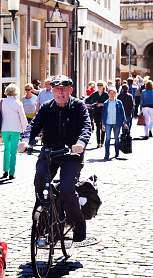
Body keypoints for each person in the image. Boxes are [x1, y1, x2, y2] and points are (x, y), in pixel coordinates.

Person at [18, 75, 92, 242]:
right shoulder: (46, 107)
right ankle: (45, 217)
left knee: (67, 188)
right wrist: (24, 140)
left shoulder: (78, 106)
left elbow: (86, 127)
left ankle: (78, 221)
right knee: (39, 181)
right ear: (52, 91)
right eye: (56, 89)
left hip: (71, 155)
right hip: (49, 152)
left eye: (63, 89)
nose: (60, 93)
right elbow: (33, 125)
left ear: (70, 90)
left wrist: (80, 143)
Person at [0, 84, 28, 180]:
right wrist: (25, 129)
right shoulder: (18, 103)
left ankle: (5, 171)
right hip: (15, 128)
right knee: (13, 152)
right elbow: (22, 117)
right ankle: (11, 173)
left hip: (4, 128)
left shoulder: (1, 102)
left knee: (6, 149)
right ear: (16, 92)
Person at [102, 87, 128, 159]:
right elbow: (104, 114)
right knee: (107, 138)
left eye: (113, 93)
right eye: (111, 93)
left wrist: (124, 122)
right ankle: (107, 154)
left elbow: (122, 113)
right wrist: (103, 124)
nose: (112, 95)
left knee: (116, 138)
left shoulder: (119, 103)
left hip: (117, 123)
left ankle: (117, 152)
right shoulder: (106, 103)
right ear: (108, 94)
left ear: (115, 94)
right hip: (108, 123)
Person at [85, 80, 108, 148]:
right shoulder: (95, 94)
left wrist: (101, 104)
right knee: (98, 126)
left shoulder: (106, 94)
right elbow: (88, 99)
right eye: (98, 85)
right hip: (96, 112)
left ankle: (102, 141)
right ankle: (98, 142)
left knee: (103, 126)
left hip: (104, 112)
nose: (99, 86)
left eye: (100, 85)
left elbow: (109, 102)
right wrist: (81, 102)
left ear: (103, 86)